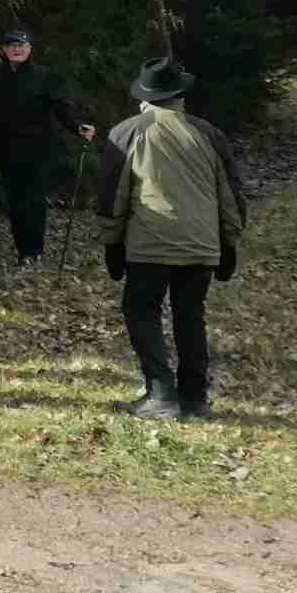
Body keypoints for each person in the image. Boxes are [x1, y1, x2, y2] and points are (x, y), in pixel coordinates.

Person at [94, 57, 247, 420]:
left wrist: (112, 243)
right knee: (190, 316)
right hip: (201, 246)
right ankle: (194, 398)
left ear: (143, 97)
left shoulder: (126, 133)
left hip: (149, 245)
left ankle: (161, 393)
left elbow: (112, 197)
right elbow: (231, 197)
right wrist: (229, 244)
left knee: (141, 311)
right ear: (180, 95)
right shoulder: (209, 134)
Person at [0, 24, 96, 273]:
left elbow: (61, 107)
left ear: (29, 48)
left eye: (21, 45)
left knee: (33, 200)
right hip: (6, 148)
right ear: (4, 49)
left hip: (37, 150)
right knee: (14, 201)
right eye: (12, 45)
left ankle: (33, 251)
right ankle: (22, 249)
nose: (16, 49)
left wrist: (77, 126)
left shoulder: (44, 76)